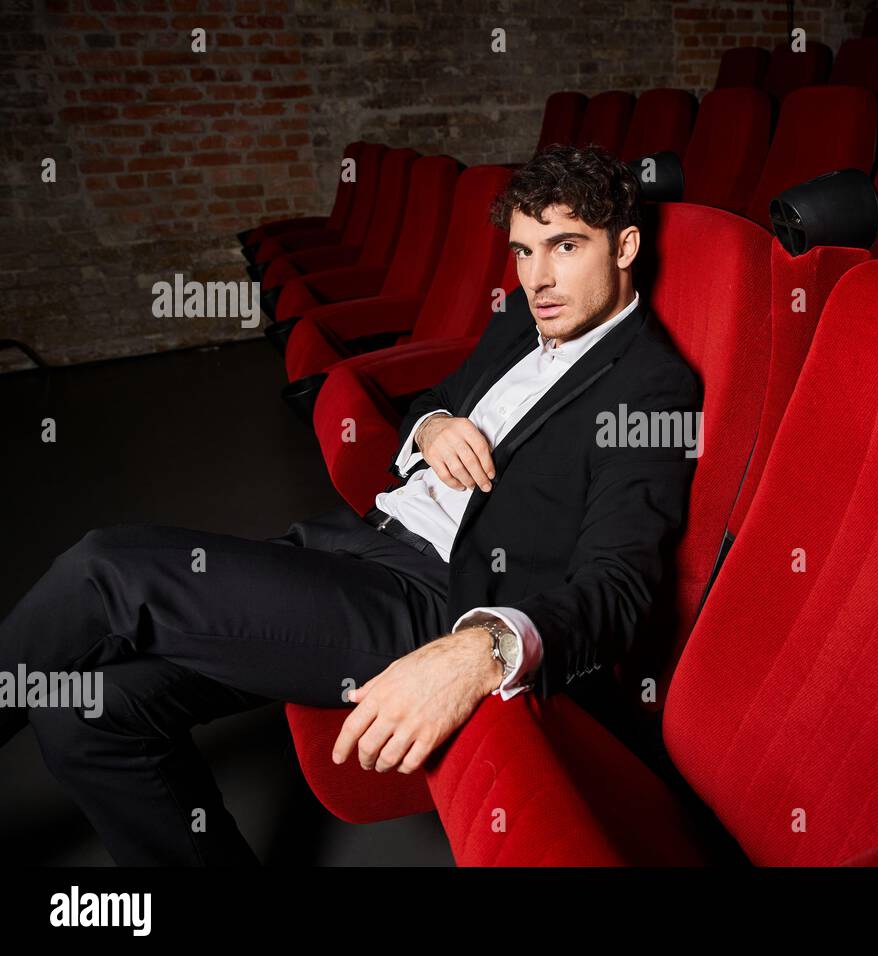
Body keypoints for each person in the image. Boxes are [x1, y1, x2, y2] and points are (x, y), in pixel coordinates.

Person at [0, 144, 701, 865]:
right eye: (524, 252)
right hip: (356, 543)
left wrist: (481, 650)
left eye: (565, 247)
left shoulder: (651, 388)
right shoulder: (525, 319)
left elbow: (621, 586)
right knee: (78, 709)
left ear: (626, 246)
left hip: (430, 601)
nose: (539, 277)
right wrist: (432, 428)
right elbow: (435, 400)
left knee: (105, 569)